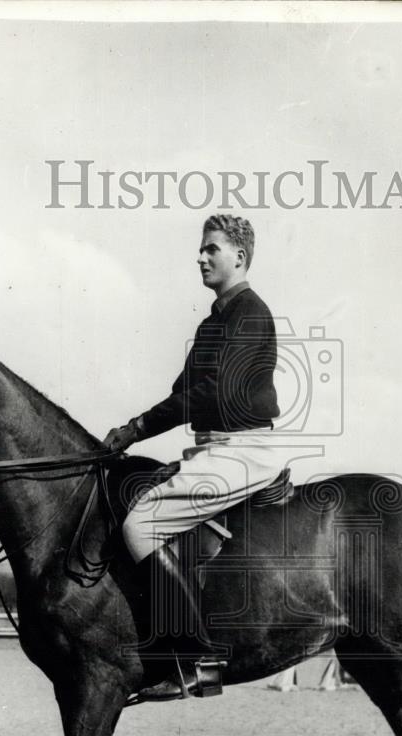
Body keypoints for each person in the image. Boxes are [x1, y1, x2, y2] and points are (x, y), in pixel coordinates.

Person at [103, 215, 285, 698]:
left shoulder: (250, 313)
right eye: (201, 250)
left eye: (212, 249)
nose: (201, 257)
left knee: (140, 525)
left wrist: (137, 428)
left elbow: (210, 393)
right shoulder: (213, 322)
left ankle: (198, 660)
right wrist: (131, 433)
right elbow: (183, 394)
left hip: (245, 450)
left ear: (239, 257)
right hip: (212, 447)